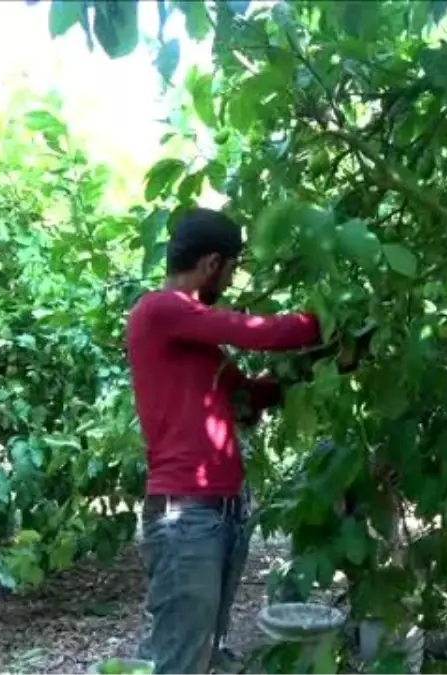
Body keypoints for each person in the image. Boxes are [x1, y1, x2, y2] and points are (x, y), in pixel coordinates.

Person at [126, 207, 323, 675]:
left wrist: (324, 361)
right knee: (181, 660)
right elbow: (260, 333)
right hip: (185, 516)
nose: (232, 281)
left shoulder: (199, 346)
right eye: (233, 267)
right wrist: (327, 322)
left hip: (220, 510)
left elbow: (249, 398)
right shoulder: (159, 309)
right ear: (212, 263)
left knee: (204, 650)